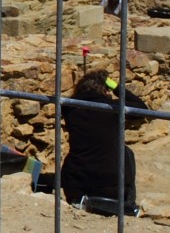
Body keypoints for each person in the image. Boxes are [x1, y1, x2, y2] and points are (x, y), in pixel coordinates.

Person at [60, 69, 149, 210]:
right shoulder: (113, 108)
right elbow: (142, 110)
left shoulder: (68, 108)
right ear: (105, 89)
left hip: (76, 185)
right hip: (111, 188)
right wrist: (116, 87)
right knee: (126, 153)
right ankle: (129, 204)